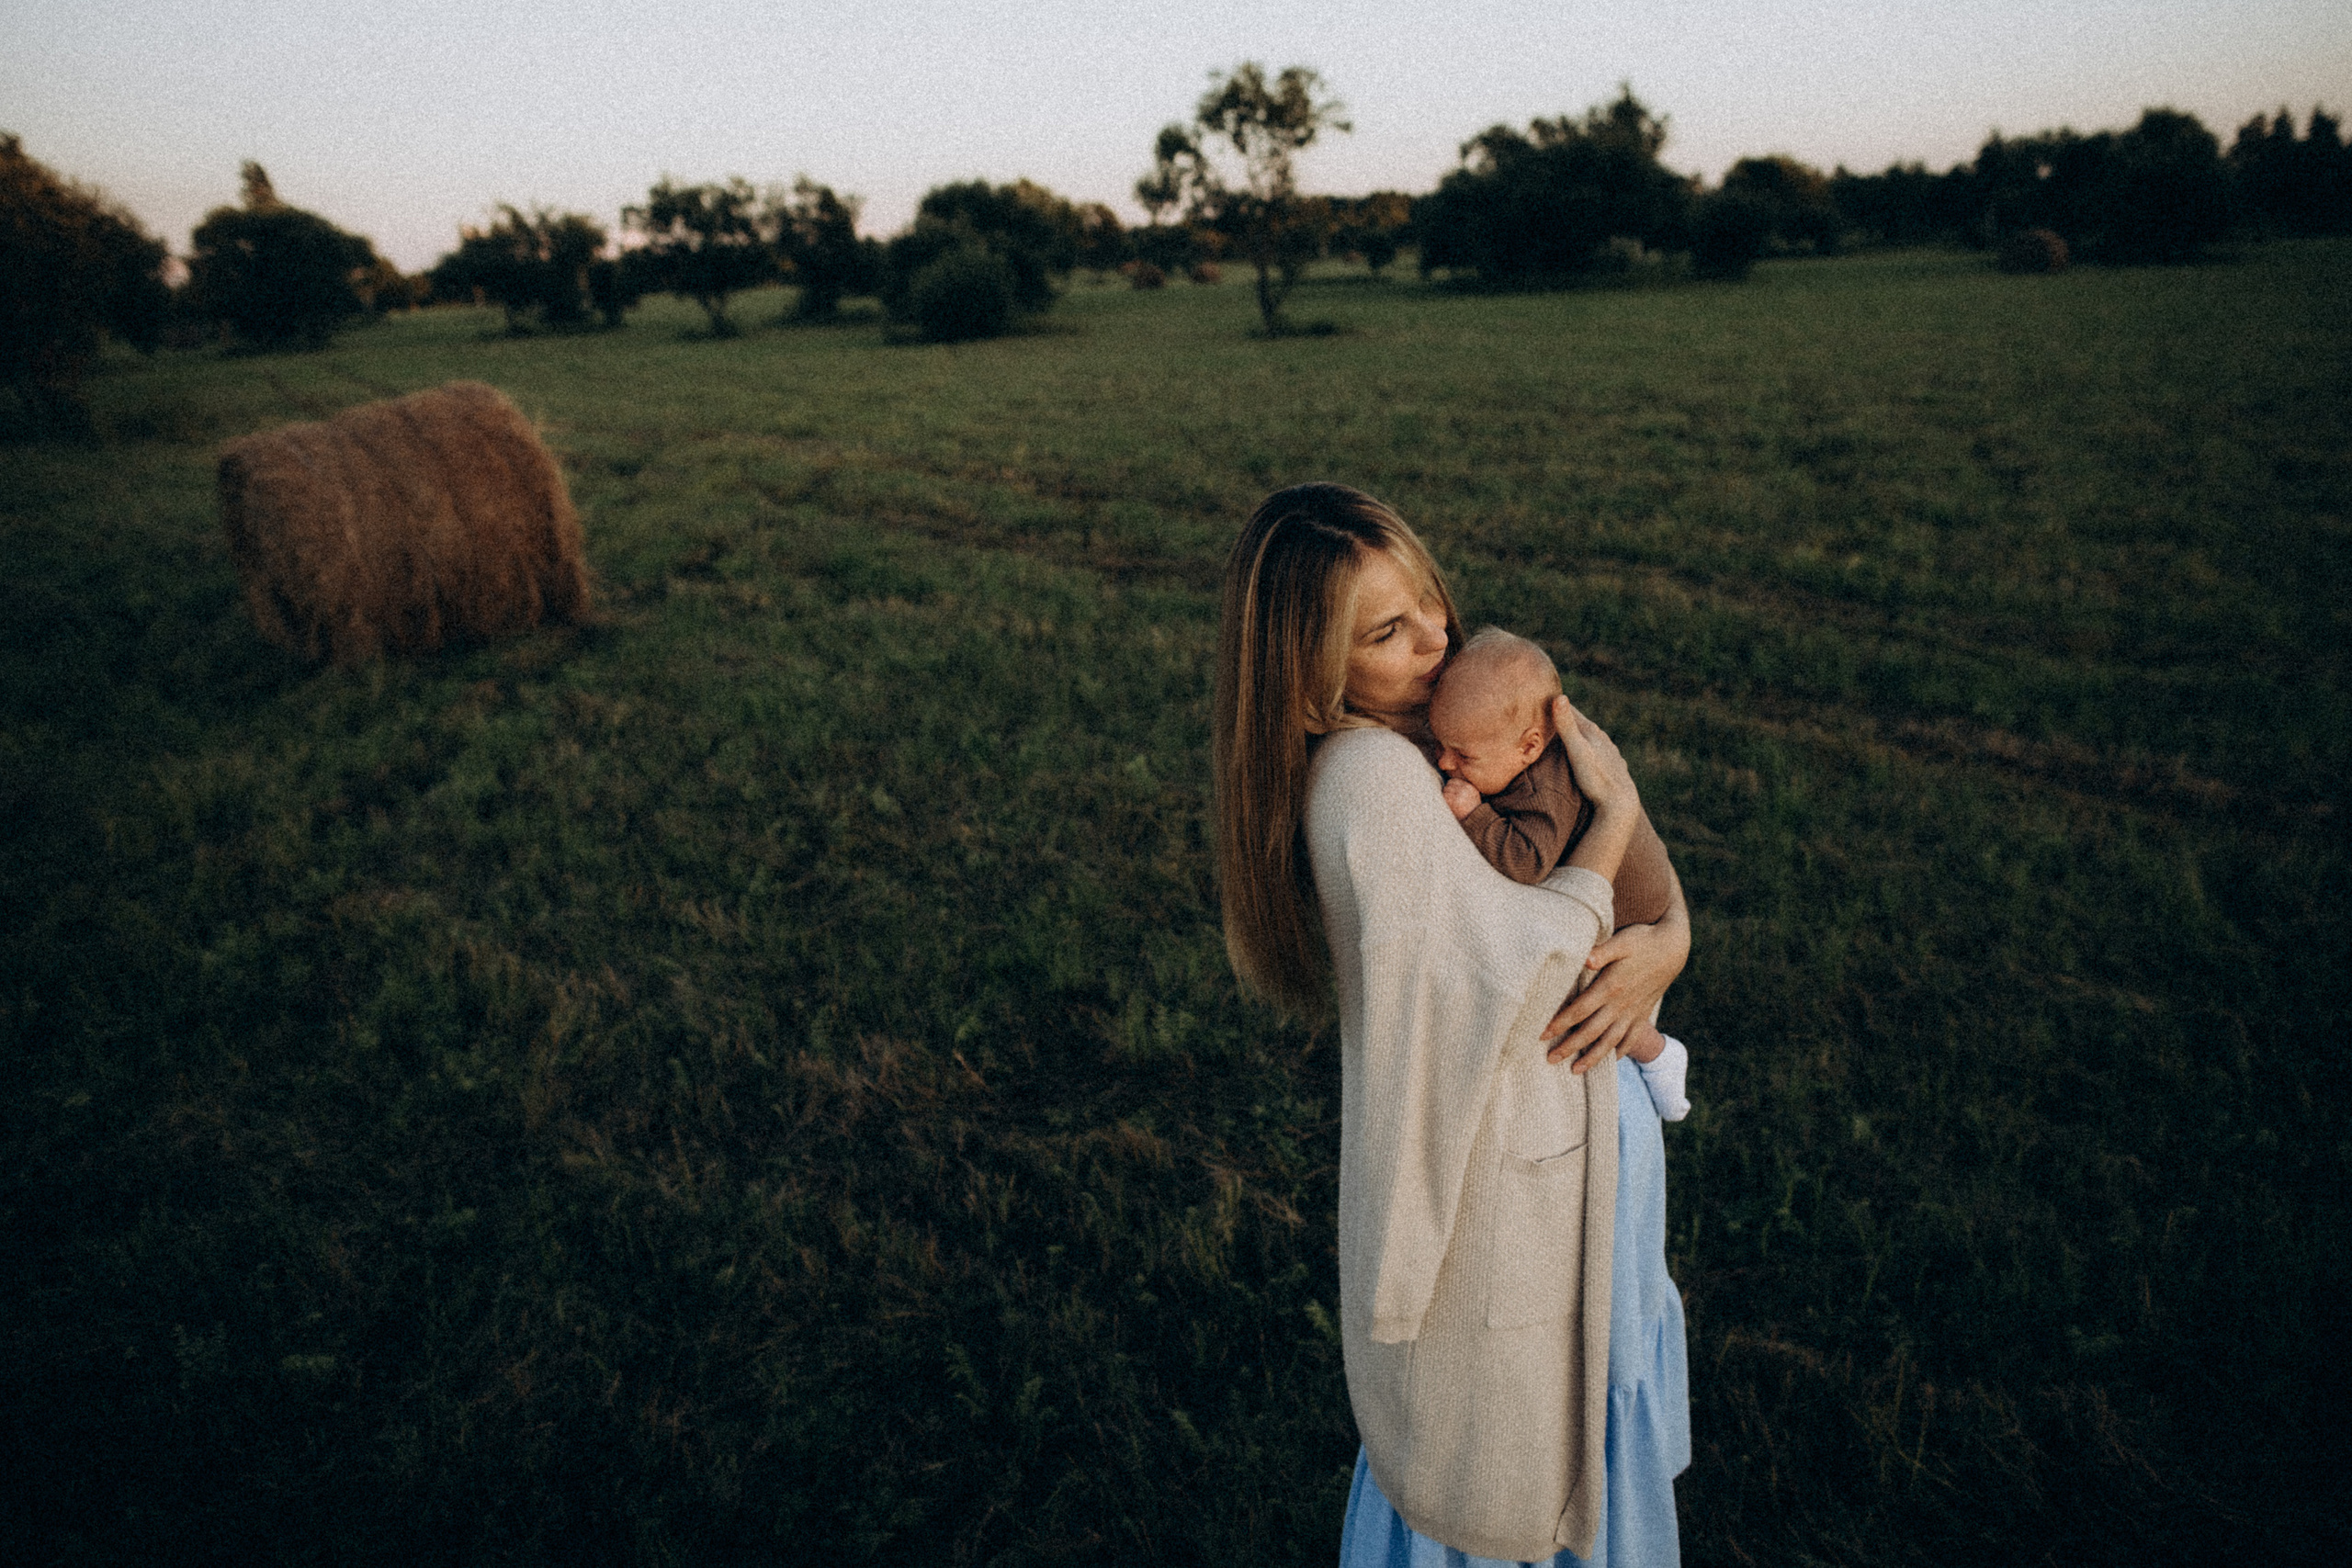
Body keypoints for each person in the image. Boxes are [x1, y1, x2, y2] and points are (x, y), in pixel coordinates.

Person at [1211, 483, 1690, 1566]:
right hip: (1509, 1215)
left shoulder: (1446, 729)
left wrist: (1672, 939)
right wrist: (1612, 820)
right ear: (1306, 684)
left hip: (1574, 1168)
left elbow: (1618, 902)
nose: (1441, 638)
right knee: (1501, 1478)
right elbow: (1517, 966)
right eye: (1388, 632)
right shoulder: (1375, 778)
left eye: (1429, 602)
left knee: (1566, 1454)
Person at [1429, 626, 1691, 1123]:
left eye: (1462, 755)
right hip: (1643, 894)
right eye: (1441, 745)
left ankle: (1656, 1052)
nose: (1445, 763)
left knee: (1598, 997)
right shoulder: (1506, 746)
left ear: (1529, 748)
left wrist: (1475, 815)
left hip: (1633, 912)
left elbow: (1526, 861)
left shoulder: (1543, 792)